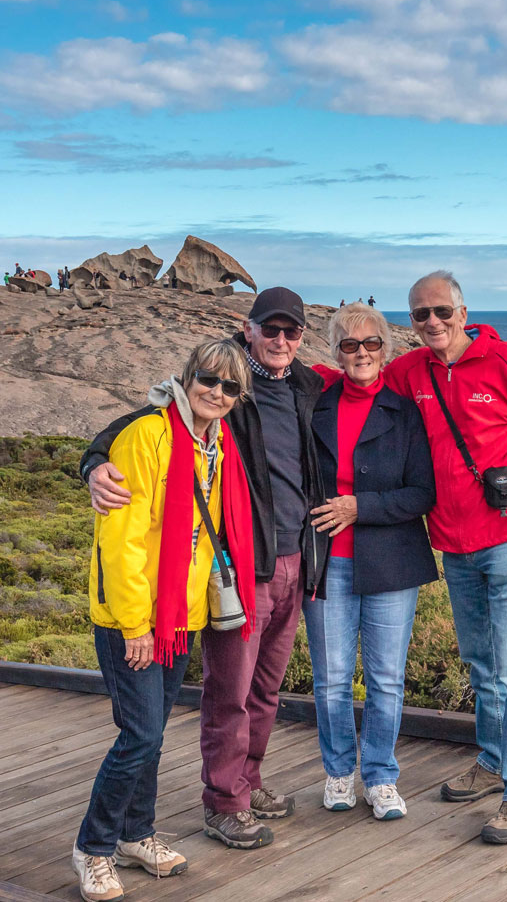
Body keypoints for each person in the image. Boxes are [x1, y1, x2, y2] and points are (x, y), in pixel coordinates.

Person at [84, 287, 327, 849]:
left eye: (291, 331)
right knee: (230, 691)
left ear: (301, 338)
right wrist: (94, 462)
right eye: (271, 329)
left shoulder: (309, 387)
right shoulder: (228, 392)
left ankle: (248, 782)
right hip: (243, 566)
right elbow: (139, 423)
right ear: (249, 329)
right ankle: (224, 801)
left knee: (266, 690)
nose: (281, 340)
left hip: (297, 557)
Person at [382, 270, 507, 845]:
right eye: (421, 314)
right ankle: (493, 762)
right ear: (411, 322)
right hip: (455, 543)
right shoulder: (410, 371)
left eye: (442, 311)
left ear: (463, 313)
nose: (433, 321)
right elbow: (357, 384)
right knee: (483, 664)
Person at [71, 340, 253, 902]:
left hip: (180, 616)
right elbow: (122, 540)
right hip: (135, 619)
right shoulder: (146, 436)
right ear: (187, 377)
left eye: (230, 386)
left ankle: (136, 834)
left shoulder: (216, 444)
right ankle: (93, 848)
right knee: (141, 734)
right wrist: (135, 625)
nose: (217, 393)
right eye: (208, 379)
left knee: (152, 734)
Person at [302, 303, 437, 821]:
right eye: (350, 345)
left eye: (371, 343)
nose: (361, 353)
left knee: (386, 679)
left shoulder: (406, 413)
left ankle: (380, 777)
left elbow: (422, 493)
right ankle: (339, 772)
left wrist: (361, 508)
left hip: (392, 564)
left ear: (386, 349)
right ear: (335, 353)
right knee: (332, 678)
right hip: (326, 561)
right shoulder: (314, 405)